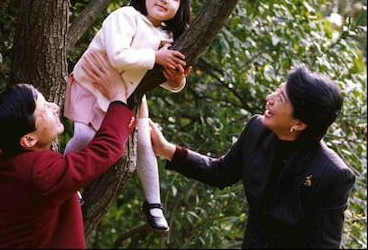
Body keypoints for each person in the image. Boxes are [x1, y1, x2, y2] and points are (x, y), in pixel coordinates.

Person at [148, 64, 356, 248]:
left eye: (280, 98)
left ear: (299, 124)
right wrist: (166, 149)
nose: (269, 99)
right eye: (277, 90)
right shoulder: (257, 129)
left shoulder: (332, 174)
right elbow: (220, 172)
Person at [64, 0, 192, 232]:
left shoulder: (166, 37)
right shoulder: (125, 16)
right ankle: (67, 182)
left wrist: (176, 79)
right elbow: (119, 56)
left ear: (180, 9)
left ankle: (153, 203)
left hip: (128, 95)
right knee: (86, 136)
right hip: (94, 84)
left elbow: (162, 78)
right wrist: (156, 58)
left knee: (144, 140)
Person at [0, 52, 135, 248]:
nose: (54, 106)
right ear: (28, 139)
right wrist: (118, 98)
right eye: (44, 109)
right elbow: (104, 151)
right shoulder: (38, 175)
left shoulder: (6, 150)